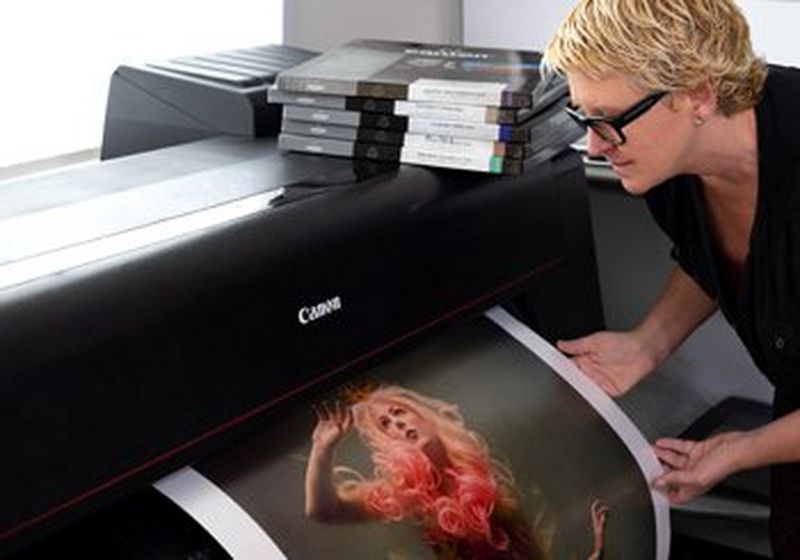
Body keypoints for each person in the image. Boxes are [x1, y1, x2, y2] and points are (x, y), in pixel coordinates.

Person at [542, 0, 800, 557]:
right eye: (584, 118)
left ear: (699, 94)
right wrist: (646, 345)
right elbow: (713, 257)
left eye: (609, 120)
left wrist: (744, 450)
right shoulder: (663, 165)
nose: (594, 145)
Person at [304, 385, 608, 559]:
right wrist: (322, 449)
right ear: (387, 442)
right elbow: (324, 511)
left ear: (421, 414)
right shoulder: (405, 495)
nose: (397, 423)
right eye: (385, 425)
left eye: (399, 412)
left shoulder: (479, 455)